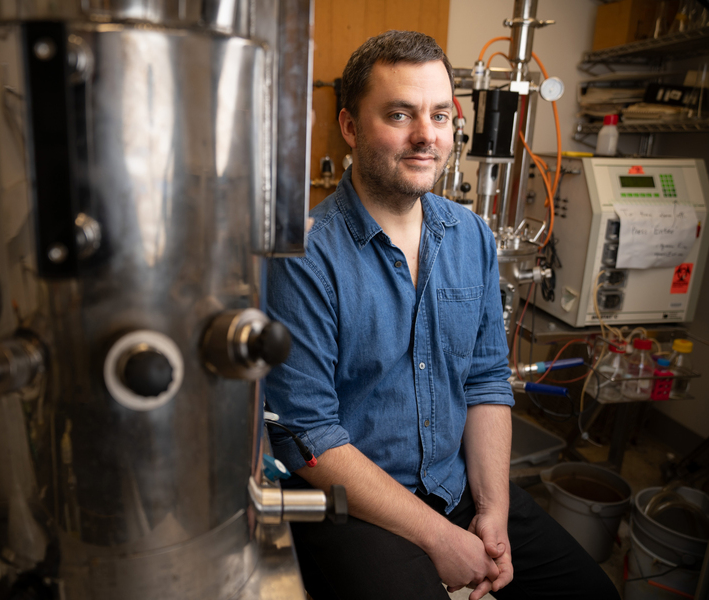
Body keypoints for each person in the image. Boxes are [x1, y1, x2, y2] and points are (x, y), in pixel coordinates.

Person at [264, 30, 621, 600]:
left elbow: (484, 381)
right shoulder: (305, 256)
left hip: (457, 488)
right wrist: (440, 537)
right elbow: (307, 435)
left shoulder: (470, 237)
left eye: (439, 115)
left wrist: (493, 511)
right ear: (351, 127)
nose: (426, 136)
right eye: (400, 114)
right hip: (360, 510)